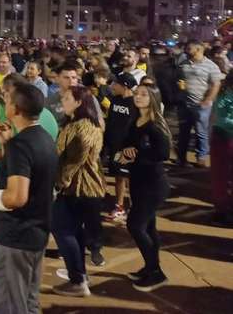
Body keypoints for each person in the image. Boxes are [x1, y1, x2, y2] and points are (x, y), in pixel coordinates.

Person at [0, 83, 58, 314]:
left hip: (16, 237)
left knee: (11, 305)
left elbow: (16, 198)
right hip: (36, 233)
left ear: (16, 109)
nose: (5, 104)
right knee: (28, 301)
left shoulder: (22, 145)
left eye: (8, 101)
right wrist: (7, 143)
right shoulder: (43, 138)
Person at [51, 86, 106, 297]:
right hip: (82, 188)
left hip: (80, 188)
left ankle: (78, 279)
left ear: (79, 102)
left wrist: (60, 183)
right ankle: (79, 275)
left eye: (66, 98)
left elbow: (75, 160)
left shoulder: (83, 127)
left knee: (63, 230)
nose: (62, 101)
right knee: (74, 232)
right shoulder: (80, 124)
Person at [119, 84, 172, 292]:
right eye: (137, 93)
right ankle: (150, 268)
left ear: (153, 98)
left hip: (153, 185)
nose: (138, 97)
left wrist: (136, 154)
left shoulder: (154, 125)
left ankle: (156, 272)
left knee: (135, 225)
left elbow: (163, 154)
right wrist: (126, 151)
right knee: (149, 227)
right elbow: (127, 143)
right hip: (139, 182)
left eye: (144, 94)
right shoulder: (135, 120)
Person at [177, 39, 224, 168]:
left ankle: (201, 157)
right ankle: (181, 159)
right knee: (183, 132)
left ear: (198, 49)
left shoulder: (211, 66)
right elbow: (179, 78)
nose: (186, 50)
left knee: (201, 132)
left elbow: (216, 84)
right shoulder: (183, 63)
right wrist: (180, 86)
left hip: (201, 105)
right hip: (184, 104)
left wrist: (208, 100)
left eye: (189, 48)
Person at [105, 72, 139, 223]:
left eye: (116, 83)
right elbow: (110, 122)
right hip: (115, 146)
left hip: (128, 148)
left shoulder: (136, 104)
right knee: (119, 176)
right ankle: (119, 207)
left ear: (125, 86)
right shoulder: (114, 100)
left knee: (131, 178)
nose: (113, 86)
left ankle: (135, 208)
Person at [211, 70, 233, 225]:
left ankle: (224, 210)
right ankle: (221, 211)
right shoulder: (224, 93)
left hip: (222, 137)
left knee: (222, 177)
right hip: (223, 138)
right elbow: (221, 119)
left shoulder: (224, 91)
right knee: (221, 176)